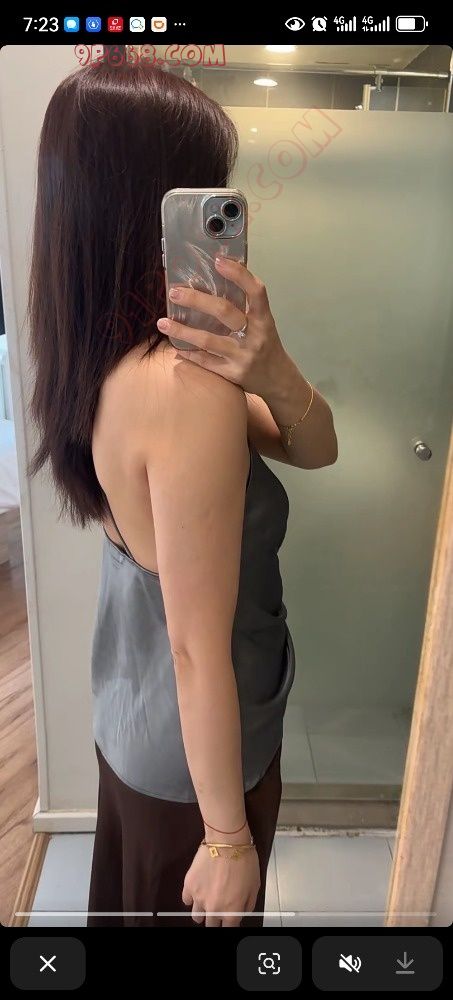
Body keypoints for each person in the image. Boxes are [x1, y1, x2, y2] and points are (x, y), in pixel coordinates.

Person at [28, 61, 338, 928]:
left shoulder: (103, 356)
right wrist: (228, 841)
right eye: (201, 191)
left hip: (137, 723)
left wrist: (272, 368)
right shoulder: (182, 389)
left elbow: (317, 448)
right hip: (199, 769)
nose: (220, 214)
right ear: (144, 210)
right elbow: (198, 649)